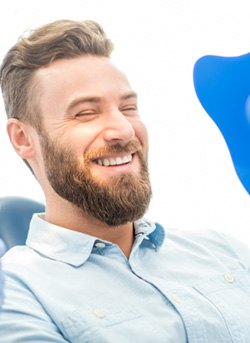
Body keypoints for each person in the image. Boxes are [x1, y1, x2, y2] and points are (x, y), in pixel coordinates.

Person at [0, 19, 250, 343]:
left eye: (128, 107)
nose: (124, 130)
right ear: (22, 138)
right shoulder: (16, 293)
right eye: (86, 113)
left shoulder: (224, 250)